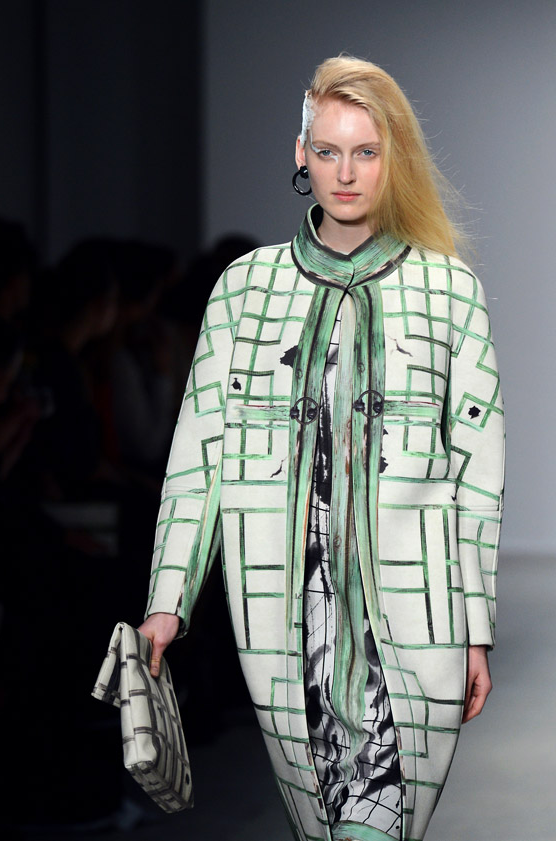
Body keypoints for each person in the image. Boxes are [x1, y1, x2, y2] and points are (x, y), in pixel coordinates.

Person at [138, 56, 505, 841]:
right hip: (283, 611)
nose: (345, 172)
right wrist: (168, 598)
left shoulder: (450, 293)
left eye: (366, 152)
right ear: (300, 152)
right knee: (319, 823)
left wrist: (477, 624)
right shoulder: (245, 290)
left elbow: (476, 475)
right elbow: (201, 451)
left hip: (419, 609)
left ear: (393, 159)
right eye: (329, 150)